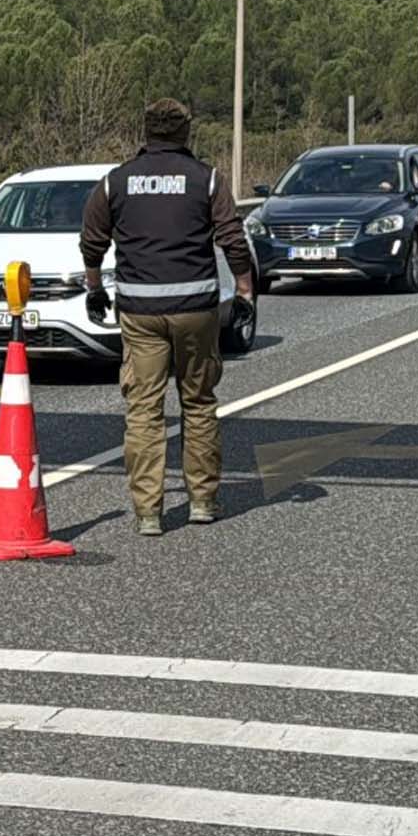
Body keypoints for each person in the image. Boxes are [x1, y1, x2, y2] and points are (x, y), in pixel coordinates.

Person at [78, 98, 257, 536]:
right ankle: (202, 502)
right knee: (198, 404)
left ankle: (149, 513)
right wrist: (245, 290)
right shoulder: (206, 179)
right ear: (185, 133)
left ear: (146, 132)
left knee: (144, 411)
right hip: (196, 310)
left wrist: (95, 287)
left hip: (140, 313)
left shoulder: (115, 182)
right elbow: (233, 239)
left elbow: (92, 240)